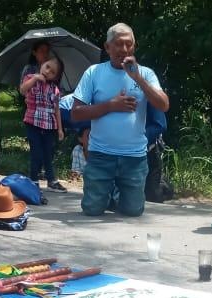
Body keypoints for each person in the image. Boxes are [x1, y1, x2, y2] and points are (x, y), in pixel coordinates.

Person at [71, 23, 169, 217]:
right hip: (100, 154)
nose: (124, 49)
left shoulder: (146, 74)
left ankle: (114, 195)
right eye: (118, 44)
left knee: (133, 211)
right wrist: (110, 105)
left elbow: (163, 105)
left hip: (134, 157)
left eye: (128, 44)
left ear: (134, 47)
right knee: (92, 209)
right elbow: (76, 113)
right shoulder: (94, 72)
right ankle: (105, 194)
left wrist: (138, 78)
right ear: (107, 47)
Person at [20, 55, 66, 191]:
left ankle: (51, 180)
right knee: (36, 152)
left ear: (55, 77)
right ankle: (33, 180)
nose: (47, 72)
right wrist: (35, 79)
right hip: (32, 121)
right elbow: (22, 90)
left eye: (52, 72)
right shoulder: (30, 78)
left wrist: (60, 129)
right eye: (47, 67)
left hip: (49, 124)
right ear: (42, 64)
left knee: (48, 153)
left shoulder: (54, 89)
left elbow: (57, 109)